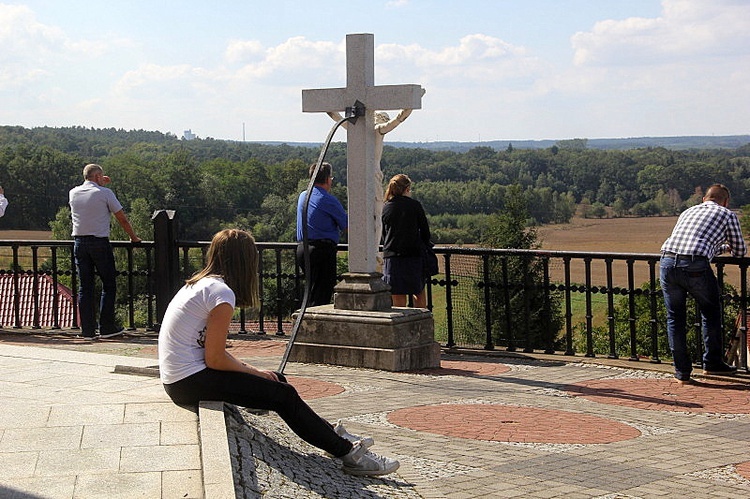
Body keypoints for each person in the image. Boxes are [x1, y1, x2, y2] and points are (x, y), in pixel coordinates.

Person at [158, 229, 399, 476]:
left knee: (278, 381)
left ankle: (329, 435)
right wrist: (255, 372)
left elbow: (212, 355)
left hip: (181, 378)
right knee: (282, 395)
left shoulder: (200, 284)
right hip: (188, 381)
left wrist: (259, 374)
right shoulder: (221, 293)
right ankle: (349, 455)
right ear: (245, 260)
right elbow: (215, 358)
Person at [660, 184, 747, 384]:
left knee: (674, 319)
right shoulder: (727, 214)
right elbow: (740, 251)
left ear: (704, 199)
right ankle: (713, 363)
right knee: (710, 313)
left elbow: (693, 241)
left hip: (666, 262)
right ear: (726, 201)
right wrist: (725, 247)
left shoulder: (688, 211)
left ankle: (682, 373)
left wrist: (716, 247)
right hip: (695, 266)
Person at [69, 163, 141, 339]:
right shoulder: (105, 193)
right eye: (102, 176)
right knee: (109, 284)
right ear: (98, 176)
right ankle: (106, 327)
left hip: (79, 242)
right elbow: (122, 218)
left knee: (85, 287)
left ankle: (87, 331)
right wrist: (134, 238)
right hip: (99, 243)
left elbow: (91, 197)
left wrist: (100, 182)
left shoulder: (73, 192)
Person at [296, 162, 348, 306]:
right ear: (327, 179)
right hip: (321, 251)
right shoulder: (328, 200)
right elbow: (348, 227)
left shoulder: (303, 196)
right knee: (321, 296)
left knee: (310, 293)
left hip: (303, 249)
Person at [381, 174, 432, 308]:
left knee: (397, 296)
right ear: (407, 188)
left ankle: (401, 327)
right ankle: (420, 325)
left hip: (392, 257)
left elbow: (384, 234)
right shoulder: (414, 206)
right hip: (413, 256)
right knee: (418, 292)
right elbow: (426, 232)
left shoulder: (386, 207)